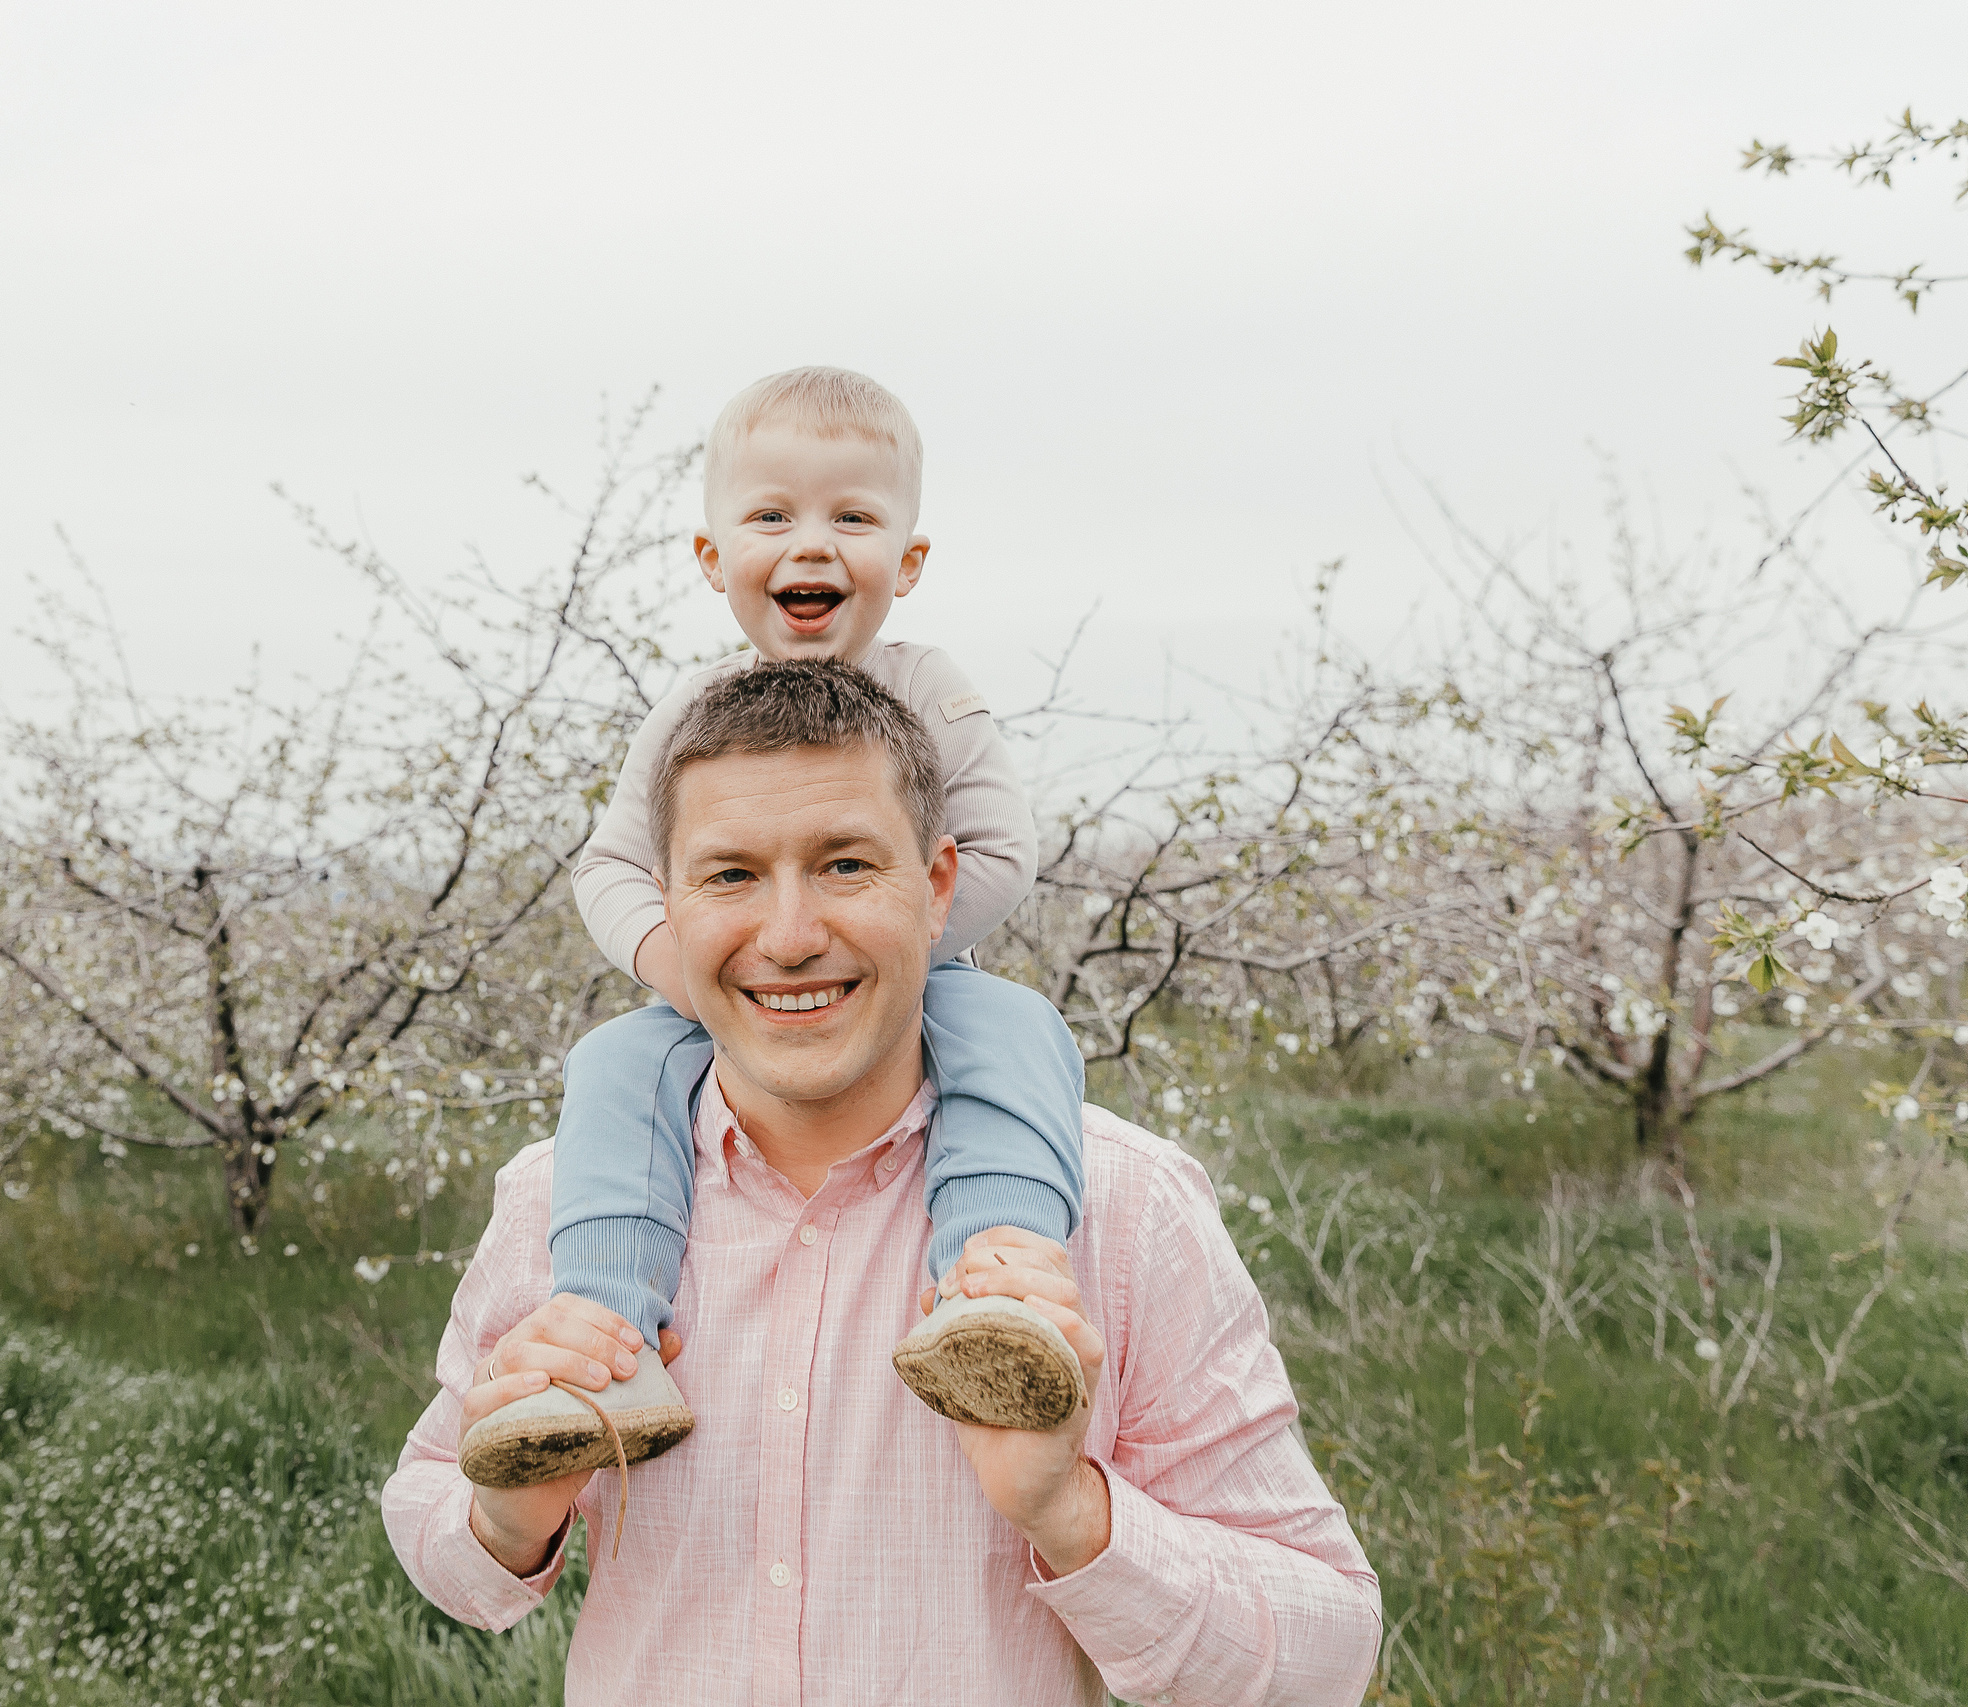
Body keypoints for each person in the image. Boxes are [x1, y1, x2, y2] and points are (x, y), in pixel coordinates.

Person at [384, 660, 1382, 1706]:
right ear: (666, 905)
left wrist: (1070, 1511)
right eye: (729, 876)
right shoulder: (562, 1207)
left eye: (845, 865)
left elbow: (1325, 1657)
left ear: (939, 884)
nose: (789, 935)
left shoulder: (1121, 1209)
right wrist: (505, 1520)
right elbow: (440, 1544)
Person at [456, 367, 1090, 1490]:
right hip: (718, 1001)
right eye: (770, 516)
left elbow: (997, 852)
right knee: (615, 1064)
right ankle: (602, 1342)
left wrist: (883, 950)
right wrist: (694, 978)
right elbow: (610, 866)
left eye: (852, 516)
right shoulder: (692, 715)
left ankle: (997, 1285)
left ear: (908, 560)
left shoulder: (930, 689)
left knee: (1013, 1029)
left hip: (914, 984)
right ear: (712, 559)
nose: (813, 544)